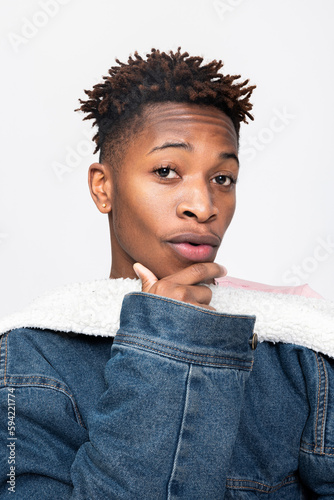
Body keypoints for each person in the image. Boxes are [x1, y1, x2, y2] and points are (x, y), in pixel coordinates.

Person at [0, 47, 333, 499]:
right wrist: (168, 341)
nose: (203, 206)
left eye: (223, 178)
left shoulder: (302, 352)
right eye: (166, 171)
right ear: (104, 187)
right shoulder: (27, 358)